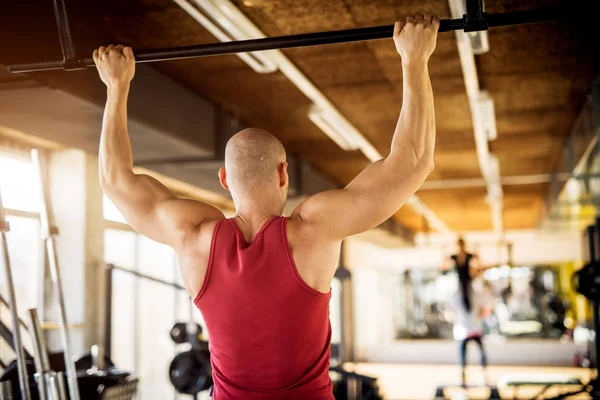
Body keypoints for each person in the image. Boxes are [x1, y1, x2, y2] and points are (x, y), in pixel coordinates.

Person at [94, 13, 440, 400]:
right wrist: (415, 58)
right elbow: (412, 162)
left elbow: (115, 179)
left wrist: (116, 85)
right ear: (283, 174)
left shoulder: (193, 236)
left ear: (224, 179)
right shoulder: (314, 230)